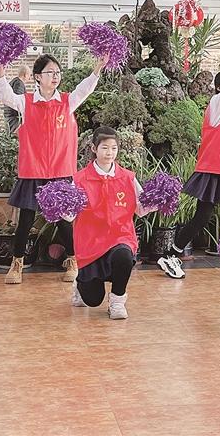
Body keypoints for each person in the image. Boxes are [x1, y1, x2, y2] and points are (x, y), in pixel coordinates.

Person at [0, 53, 106, 285]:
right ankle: (17, 264)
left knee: (63, 220)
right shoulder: (25, 102)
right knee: (26, 220)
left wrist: (98, 67)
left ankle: (72, 260)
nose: (55, 76)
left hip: (59, 172)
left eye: (57, 72)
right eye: (50, 72)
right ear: (37, 77)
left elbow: (85, 89)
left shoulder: (67, 102)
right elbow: (6, 96)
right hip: (32, 171)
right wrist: (1, 70)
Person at [157, 69, 220, 279]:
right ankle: (170, 255)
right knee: (202, 218)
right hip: (214, 169)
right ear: (219, 87)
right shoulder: (217, 104)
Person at [70, 127, 156, 319]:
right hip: (90, 243)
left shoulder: (128, 177)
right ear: (94, 148)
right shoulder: (79, 179)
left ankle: (117, 301)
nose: (109, 153)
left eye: (114, 148)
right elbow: (70, 215)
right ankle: (80, 283)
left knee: (124, 256)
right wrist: (59, 209)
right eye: (104, 148)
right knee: (93, 300)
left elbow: (140, 209)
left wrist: (157, 201)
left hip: (120, 236)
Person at [4, 65, 31, 133]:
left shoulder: (13, 82)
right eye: (29, 75)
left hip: (10, 119)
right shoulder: (19, 84)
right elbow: (18, 103)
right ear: (25, 75)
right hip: (15, 121)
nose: (29, 78)